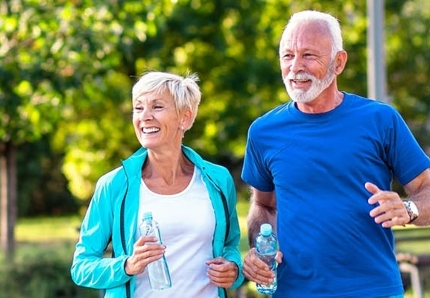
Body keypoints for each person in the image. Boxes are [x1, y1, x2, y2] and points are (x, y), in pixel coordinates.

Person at [241, 10, 430, 298]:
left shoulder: (380, 120)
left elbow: (425, 189)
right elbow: (264, 206)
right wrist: (259, 249)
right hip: (293, 291)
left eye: (308, 55)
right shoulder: (263, 132)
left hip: (373, 290)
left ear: (338, 62)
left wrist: (408, 209)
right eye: (287, 56)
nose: (295, 67)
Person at [71, 71, 244, 297]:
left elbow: (231, 246)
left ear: (185, 118)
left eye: (157, 107)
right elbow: (82, 267)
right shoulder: (113, 185)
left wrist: (233, 269)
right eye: (138, 107)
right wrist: (127, 265)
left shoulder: (218, 180)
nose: (145, 116)